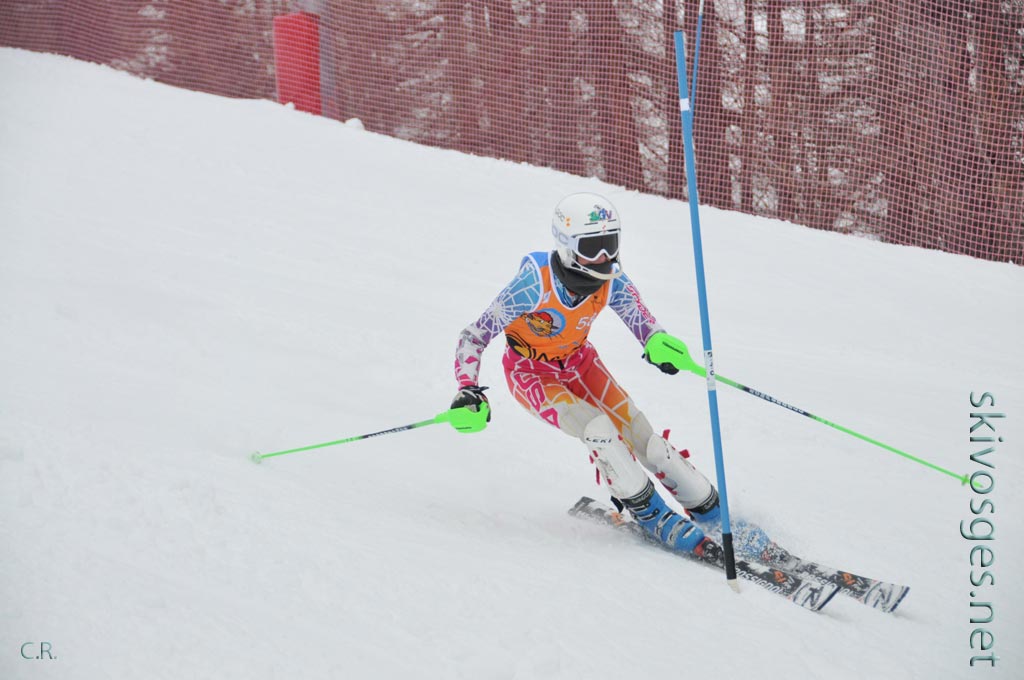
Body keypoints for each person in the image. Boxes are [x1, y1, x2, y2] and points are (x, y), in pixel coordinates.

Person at [447, 192, 722, 555]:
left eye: (611, 244)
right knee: (597, 429)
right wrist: (468, 388)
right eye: (592, 247)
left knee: (643, 436)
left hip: (581, 364)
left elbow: (641, 319)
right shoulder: (533, 284)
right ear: (566, 246)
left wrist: (658, 343)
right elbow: (474, 336)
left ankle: (707, 505)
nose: (604, 257)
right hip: (531, 373)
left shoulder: (611, 279)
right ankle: (649, 512)